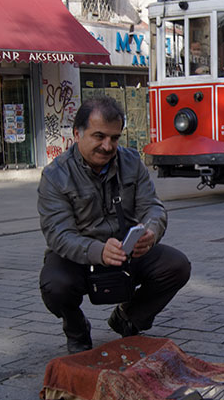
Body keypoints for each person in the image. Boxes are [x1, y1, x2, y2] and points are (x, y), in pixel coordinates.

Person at [37, 96, 191, 354]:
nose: (107, 146)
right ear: (78, 133)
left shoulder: (131, 162)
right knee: (55, 285)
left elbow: (152, 207)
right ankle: (76, 328)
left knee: (176, 266)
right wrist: (97, 250)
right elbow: (58, 235)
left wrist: (150, 233)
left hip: (127, 251)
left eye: (114, 138)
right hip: (80, 256)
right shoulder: (55, 176)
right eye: (99, 136)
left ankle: (128, 317)